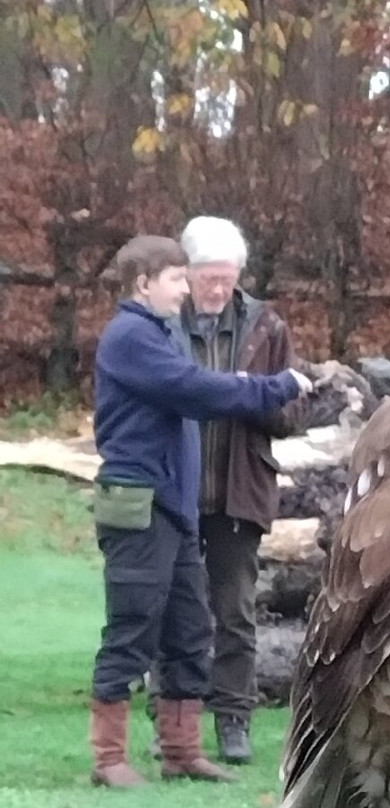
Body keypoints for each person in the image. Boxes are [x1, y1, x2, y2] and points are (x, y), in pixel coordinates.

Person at [89, 235, 313, 788]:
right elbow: (192, 389)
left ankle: (181, 752)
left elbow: (203, 384)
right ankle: (109, 760)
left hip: (176, 508)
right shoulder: (129, 337)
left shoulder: (161, 333)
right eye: (176, 279)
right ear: (144, 284)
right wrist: (276, 386)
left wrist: (243, 385)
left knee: (190, 631)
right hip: (138, 504)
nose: (186, 289)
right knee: (133, 627)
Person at [144, 216, 311, 765]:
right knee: (173, 610)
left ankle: (234, 721)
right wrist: (225, 393)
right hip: (173, 488)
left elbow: (293, 410)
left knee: (235, 613)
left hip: (239, 490)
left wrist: (252, 398)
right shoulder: (162, 323)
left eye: (227, 278)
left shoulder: (267, 325)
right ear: (186, 273)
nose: (217, 289)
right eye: (207, 278)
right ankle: (168, 720)